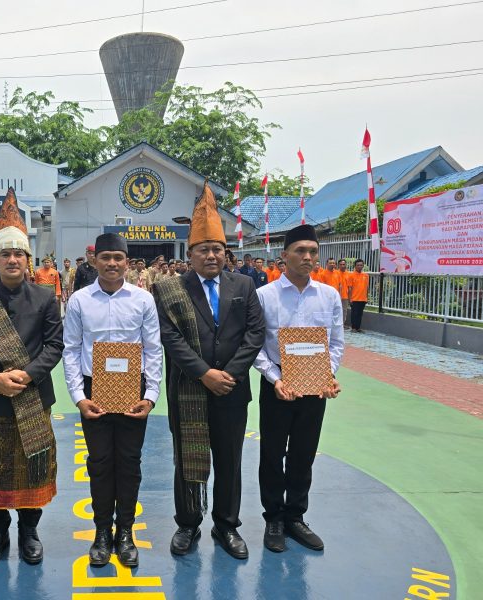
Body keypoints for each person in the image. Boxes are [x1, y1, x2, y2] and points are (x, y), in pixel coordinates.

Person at [154, 181, 265, 559]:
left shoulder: (244, 285)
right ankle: (187, 524)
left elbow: (255, 333)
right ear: (191, 253)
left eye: (218, 248)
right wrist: (204, 373)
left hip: (232, 390)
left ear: (226, 252)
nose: (212, 255)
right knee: (187, 457)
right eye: (204, 249)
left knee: (230, 460)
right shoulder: (170, 289)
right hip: (189, 386)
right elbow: (170, 337)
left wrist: (228, 375)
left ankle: (226, 526)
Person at [0, 188, 63, 570]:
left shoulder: (45, 297)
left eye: (19, 253)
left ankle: (29, 533)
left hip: (33, 396)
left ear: (28, 258)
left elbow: (55, 345)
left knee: (33, 465)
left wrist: (27, 374)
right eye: (6, 254)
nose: (13, 259)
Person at [63, 232, 163, 569]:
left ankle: (126, 533)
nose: (111, 263)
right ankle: (102, 532)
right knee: (101, 463)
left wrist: (150, 396)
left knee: (130, 463)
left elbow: (153, 349)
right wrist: (79, 396)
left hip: (133, 390)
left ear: (127, 261)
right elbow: (71, 350)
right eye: (105, 257)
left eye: (118, 258)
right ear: (95, 260)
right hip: (95, 391)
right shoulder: (79, 300)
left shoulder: (142, 300)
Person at [253, 224, 343, 554]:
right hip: (277, 386)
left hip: (314, 389)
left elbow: (336, 343)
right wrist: (274, 378)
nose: (307, 257)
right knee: (272, 454)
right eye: (300, 251)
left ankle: (296, 516)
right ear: (284, 256)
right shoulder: (264, 296)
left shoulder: (329, 296)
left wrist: (326, 375)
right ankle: (274, 518)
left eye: (313, 252)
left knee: (304, 453)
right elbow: (257, 346)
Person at [347, 259, 369, 333]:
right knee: (354, 314)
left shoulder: (366, 276)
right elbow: (349, 288)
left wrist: (366, 297)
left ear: (363, 266)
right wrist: (350, 299)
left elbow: (367, 288)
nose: (359, 266)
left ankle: (358, 327)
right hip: (354, 298)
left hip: (363, 299)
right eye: (358, 265)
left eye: (361, 265)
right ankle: (353, 327)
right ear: (355, 266)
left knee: (360, 314)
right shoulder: (351, 275)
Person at [337, 259, 350, 329]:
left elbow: (350, 286)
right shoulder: (335, 273)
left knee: (344, 311)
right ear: (338, 265)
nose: (342, 266)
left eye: (344, 264)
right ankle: (336, 324)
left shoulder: (348, 274)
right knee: (336, 310)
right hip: (336, 296)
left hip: (345, 296)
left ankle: (342, 324)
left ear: (346, 265)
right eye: (341, 264)